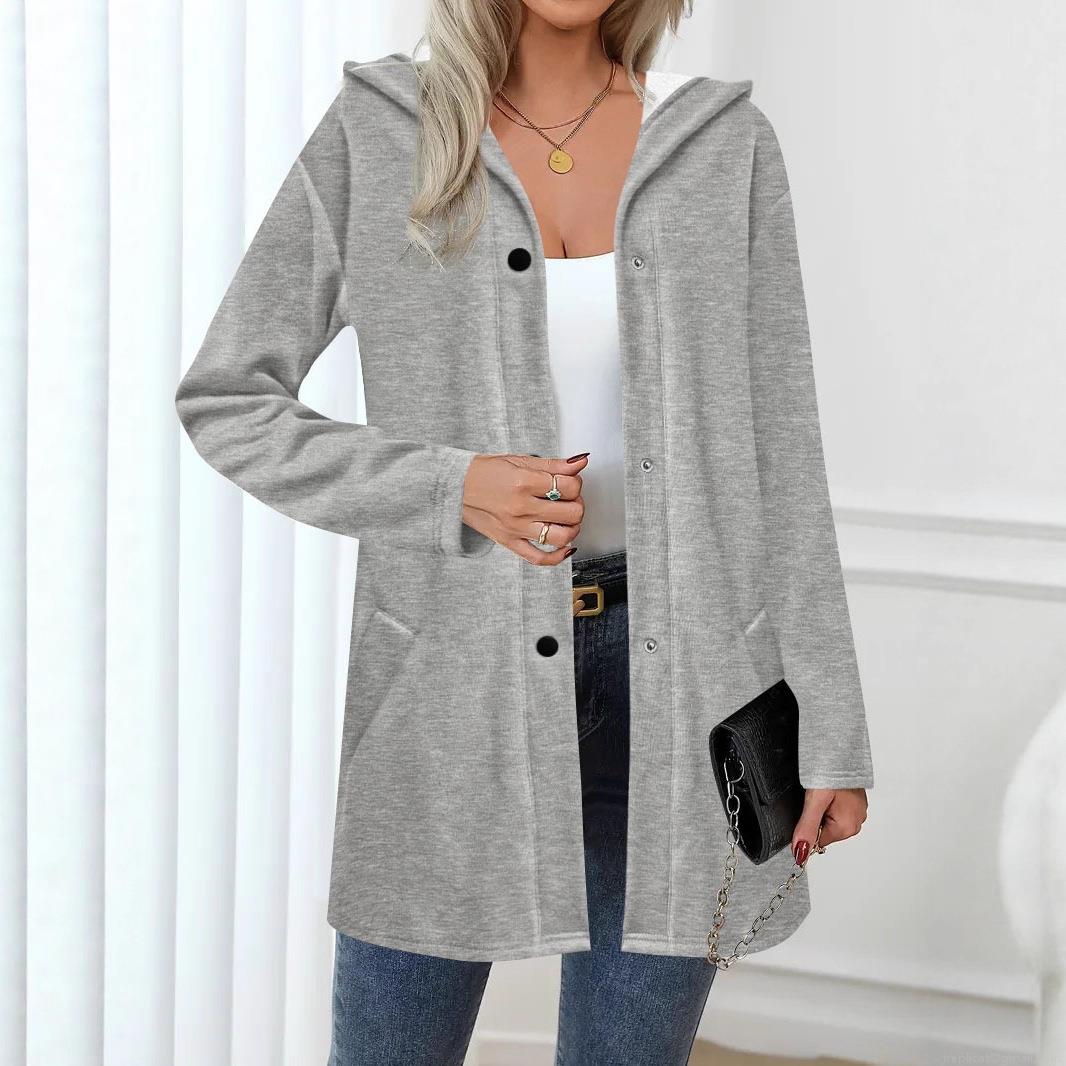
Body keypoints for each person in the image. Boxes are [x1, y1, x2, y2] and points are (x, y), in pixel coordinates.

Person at [174, 2, 875, 1063]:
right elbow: (229, 399)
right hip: (447, 689)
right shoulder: (383, 132)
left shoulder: (722, 147)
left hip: (685, 692)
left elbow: (783, 447)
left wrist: (833, 726)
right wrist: (449, 487)